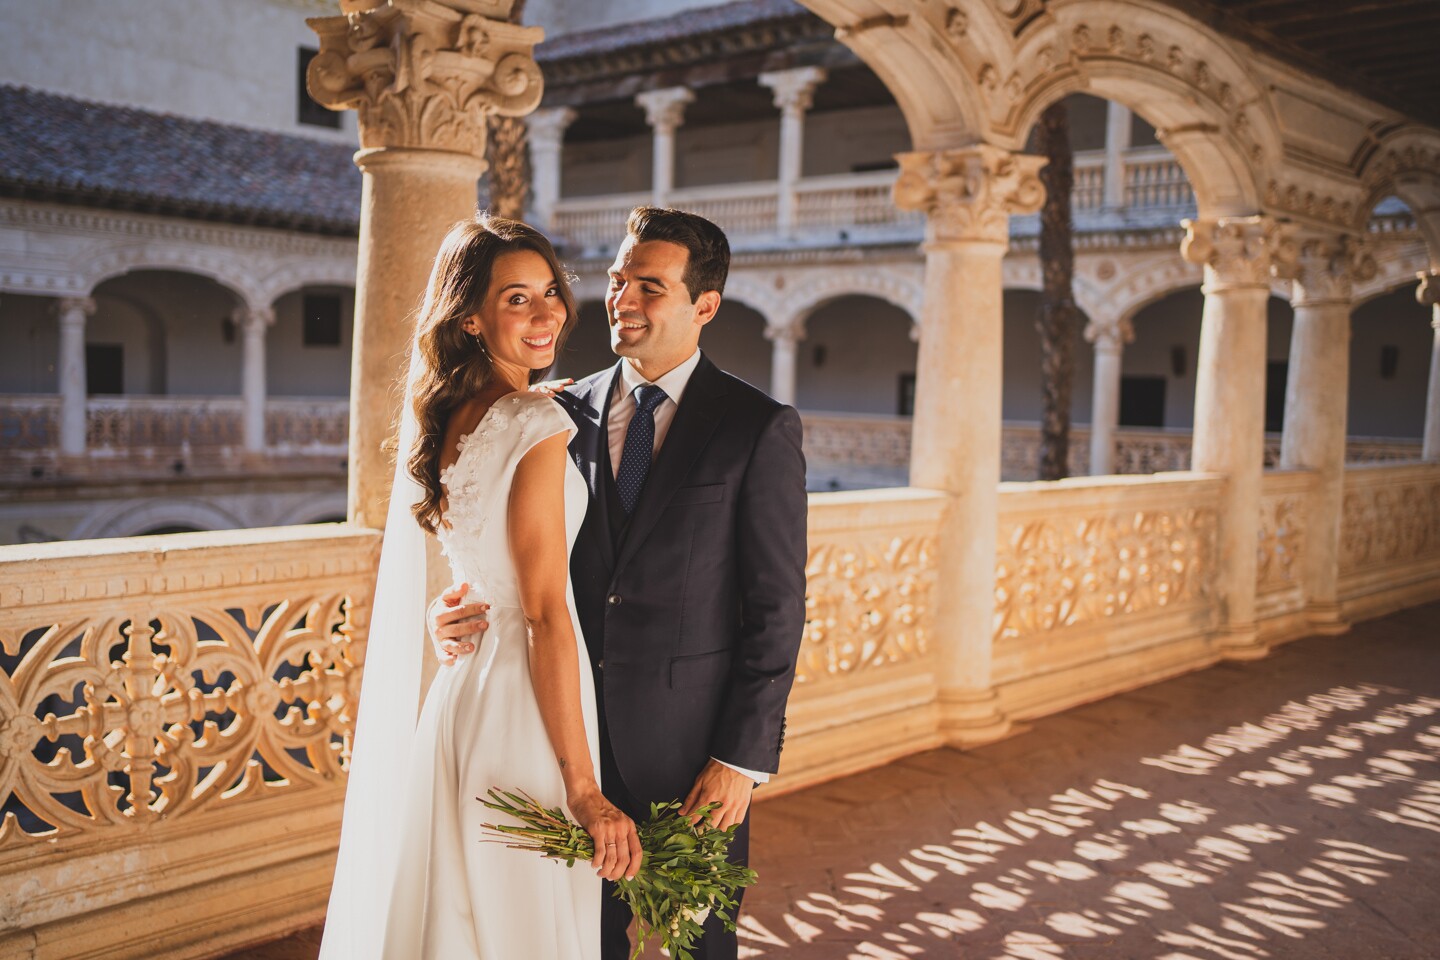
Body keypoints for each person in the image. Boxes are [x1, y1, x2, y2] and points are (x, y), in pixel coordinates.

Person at [432, 206, 809, 960]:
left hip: (689, 756)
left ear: (705, 305)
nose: (622, 300)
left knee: (700, 945)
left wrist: (740, 760)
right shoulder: (552, 409)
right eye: (615, 280)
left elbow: (776, 608)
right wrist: (448, 610)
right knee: (578, 940)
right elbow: (510, 559)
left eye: (649, 286)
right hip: (562, 739)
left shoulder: (757, 427)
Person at [319, 215, 641, 960]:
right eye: (517, 299)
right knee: (522, 917)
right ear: (472, 318)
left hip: (462, 694)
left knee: (459, 906)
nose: (546, 313)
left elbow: (479, 564)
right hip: (528, 706)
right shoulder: (534, 422)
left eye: (550, 293)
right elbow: (543, 613)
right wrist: (585, 789)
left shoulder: (455, 418)